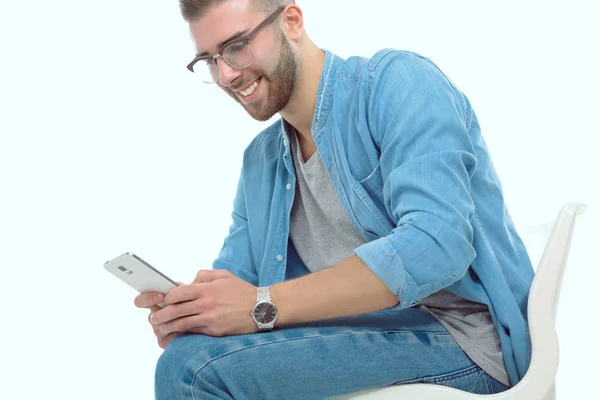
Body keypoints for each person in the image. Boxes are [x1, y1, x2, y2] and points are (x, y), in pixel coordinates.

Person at [134, 0, 535, 398]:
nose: (225, 75)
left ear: (291, 21)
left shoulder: (398, 83)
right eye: (209, 60)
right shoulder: (261, 161)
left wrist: (261, 305)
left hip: (468, 341)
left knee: (193, 370)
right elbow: (239, 286)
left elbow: (437, 245)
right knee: (191, 352)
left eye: (237, 46)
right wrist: (195, 312)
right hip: (367, 333)